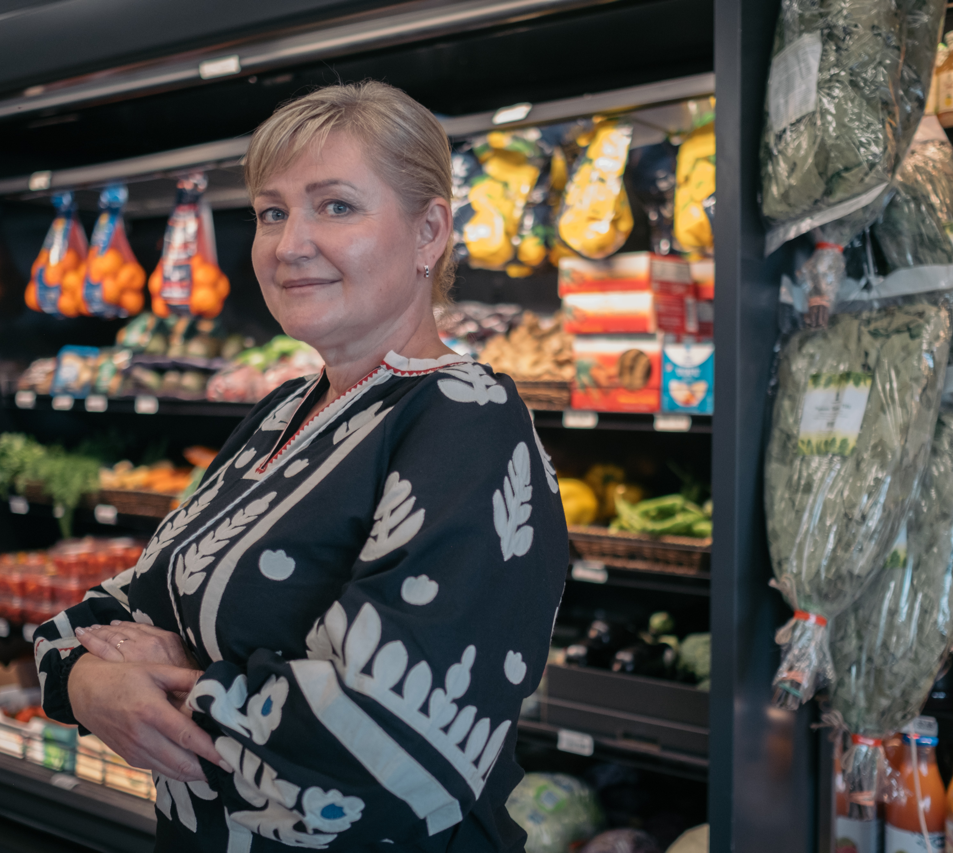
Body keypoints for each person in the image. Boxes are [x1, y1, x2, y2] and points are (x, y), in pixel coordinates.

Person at [33, 80, 568, 852]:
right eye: (271, 212)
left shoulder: (466, 419)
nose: (289, 245)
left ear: (429, 232)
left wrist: (172, 680)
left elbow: (385, 744)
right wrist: (85, 682)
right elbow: (100, 616)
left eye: (336, 206)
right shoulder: (285, 408)